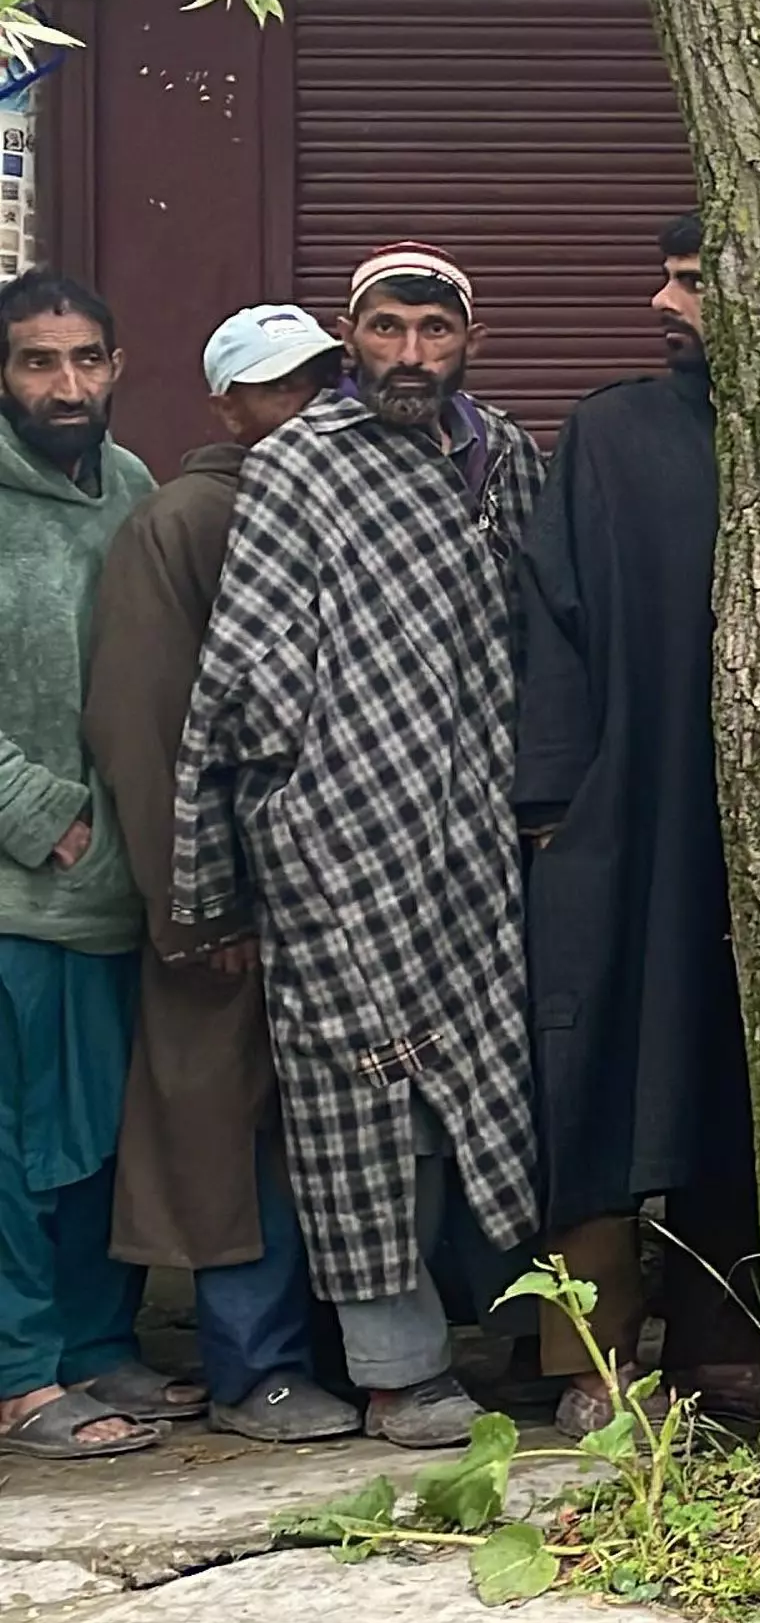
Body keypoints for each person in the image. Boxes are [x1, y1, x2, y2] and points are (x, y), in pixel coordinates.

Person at [169, 245, 546, 1449]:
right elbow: (246, 663)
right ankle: (396, 1369)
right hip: (339, 840)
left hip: (481, 844)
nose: (410, 357)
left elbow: (546, 636)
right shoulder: (301, 467)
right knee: (357, 1103)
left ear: (470, 338)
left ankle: (510, 1336)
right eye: (387, 330)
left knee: (478, 1085)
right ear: (354, 334)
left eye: (435, 333)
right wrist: (254, 839)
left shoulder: (508, 460)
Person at [85, 306, 358, 1444]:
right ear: (229, 404)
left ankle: (337, 1352)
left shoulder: (352, 507)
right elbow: (140, 723)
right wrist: (192, 899)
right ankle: (255, 1368)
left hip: (341, 890)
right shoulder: (186, 520)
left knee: (326, 1128)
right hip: (230, 889)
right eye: (283, 386)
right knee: (224, 1127)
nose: (312, 405)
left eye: (323, 380)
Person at [516, 217, 758, 1434]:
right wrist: (554, 803)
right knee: (599, 1077)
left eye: (694, 283)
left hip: (758, 834)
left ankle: (723, 1353)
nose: (663, 303)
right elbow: (551, 619)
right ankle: (590, 1364)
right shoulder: (609, 434)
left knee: (740, 1083)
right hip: (621, 817)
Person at [0, 272, 172, 1461]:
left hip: (122, 886)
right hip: (19, 883)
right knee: (13, 1144)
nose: (68, 386)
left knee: (103, 1130)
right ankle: (19, 1373)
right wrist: (35, 812)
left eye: (88, 361)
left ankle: (96, 1341)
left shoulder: (134, 489)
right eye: (38, 363)